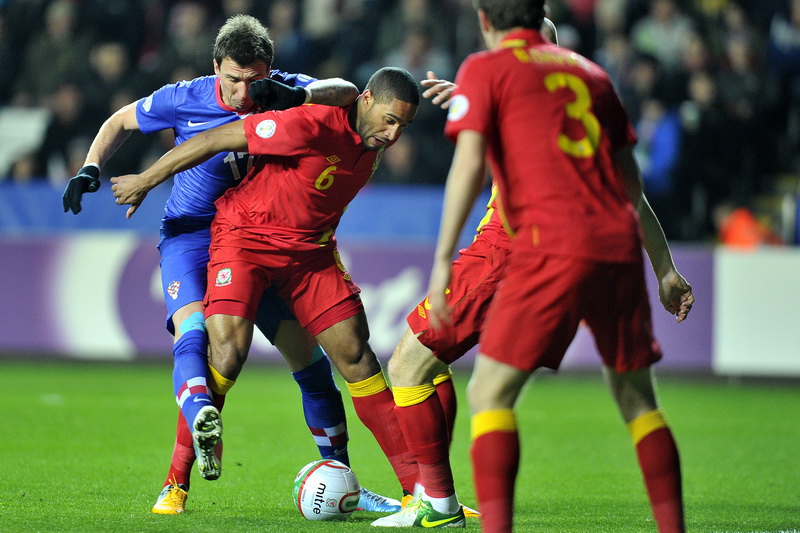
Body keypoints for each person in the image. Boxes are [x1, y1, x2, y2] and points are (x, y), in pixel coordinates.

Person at [61, 14, 398, 515]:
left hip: (253, 239)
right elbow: (119, 121)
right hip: (190, 238)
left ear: (268, 70)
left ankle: (343, 477)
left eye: (254, 80)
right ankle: (177, 480)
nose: (243, 92)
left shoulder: (282, 89)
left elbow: (348, 91)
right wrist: (91, 167)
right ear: (214, 66)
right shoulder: (184, 97)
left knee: (313, 368)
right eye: (233, 79)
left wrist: (296, 95)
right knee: (199, 338)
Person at [425, 1, 694, 532]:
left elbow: (468, 167)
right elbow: (631, 191)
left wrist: (440, 261)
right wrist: (664, 269)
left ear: (485, 21)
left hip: (551, 245)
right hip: (616, 247)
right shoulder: (593, 76)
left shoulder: (484, 68)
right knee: (639, 401)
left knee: (489, 393)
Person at [372, 18, 559, 528]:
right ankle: (435, 495)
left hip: (501, 254)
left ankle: (436, 502)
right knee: (428, 366)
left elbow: (471, 168)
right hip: (525, 255)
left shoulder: (509, 78)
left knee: (407, 365)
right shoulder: (563, 94)